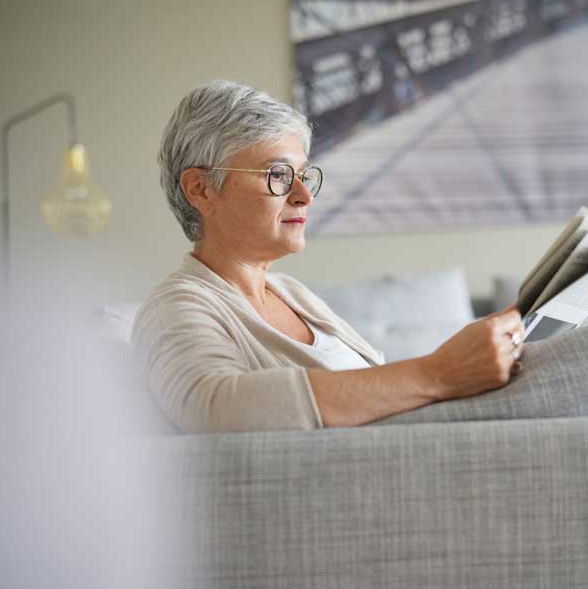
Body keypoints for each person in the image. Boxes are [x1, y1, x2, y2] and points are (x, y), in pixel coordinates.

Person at [131, 79, 524, 434]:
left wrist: (465, 358)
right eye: (279, 174)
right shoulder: (174, 308)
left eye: (304, 175)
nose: (305, 195)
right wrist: (440, 372)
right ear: (201, 190)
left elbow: (377, 388)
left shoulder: (290, 293)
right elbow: (215, 408)